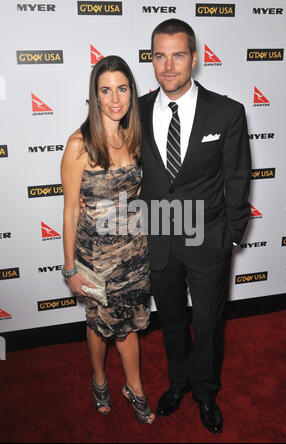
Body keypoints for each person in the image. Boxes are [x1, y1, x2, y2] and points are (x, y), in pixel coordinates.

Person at [138, 19, 251, 433]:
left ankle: (205, 392)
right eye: (159, 55)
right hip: (159, 240)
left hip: (208, 240)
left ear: (195, 59)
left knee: (206, 323)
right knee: (170, 322)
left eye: (178, 55)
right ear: (152, 59)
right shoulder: (136, 110)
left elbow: (238, 177)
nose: (168, 66)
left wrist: (230, 235)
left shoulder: (227, 111)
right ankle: (178, 382)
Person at [61, 55, 155, 424]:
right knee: (101, 325)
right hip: (96, 258)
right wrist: (69, 268)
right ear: (95, 96)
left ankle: (134, 389)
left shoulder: (134, 136)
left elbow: (140, 192)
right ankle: (100, 378)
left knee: (128, 324)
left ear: (131, 92)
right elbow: (70, 211)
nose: (115, 98)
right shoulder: (78, 145)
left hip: (134, 251)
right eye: (106, 90)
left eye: (122, 88)